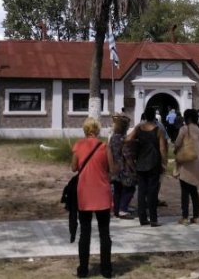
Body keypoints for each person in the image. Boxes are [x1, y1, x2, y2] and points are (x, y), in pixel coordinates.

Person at [71, 117, 114, 278]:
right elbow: (112, 168)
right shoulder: (104, 146)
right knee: (104, 232)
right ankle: (106, 270)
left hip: (84, 193)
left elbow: (73, 167)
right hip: (102, 192)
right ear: (97, 130)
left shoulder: (78, 145)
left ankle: (83, 270)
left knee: (85, 232)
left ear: (85, 130)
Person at [126, 108, 167, 227]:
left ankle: (142, 218)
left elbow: (128, 139)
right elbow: (163, 149)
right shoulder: (158, 130)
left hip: (141, 162)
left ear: (144, 116)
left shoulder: (139, 128)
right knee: (152, 192)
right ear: (154, 116)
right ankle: (153, 219)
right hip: (154, 162)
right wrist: (164, 163)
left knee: (142, 191)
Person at [174, 109, 199, 225]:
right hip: (198, 164)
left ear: (187, 118)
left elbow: (177, 144)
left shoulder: (184, 129)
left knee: (185, 192)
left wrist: (175, 151)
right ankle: (196, 217)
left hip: (186, 164)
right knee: (194, 192)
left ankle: (185, 217)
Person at [108, 113, 136, 219]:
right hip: (124, 168)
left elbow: (109, 151)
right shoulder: (124, 139)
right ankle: (123, 209)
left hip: (115, 167)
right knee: (130, 188)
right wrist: (133, 168)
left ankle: (116, 210)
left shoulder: (112, 138)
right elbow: (127, 155)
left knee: (118, 189)